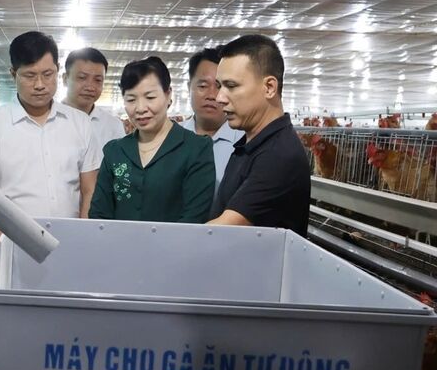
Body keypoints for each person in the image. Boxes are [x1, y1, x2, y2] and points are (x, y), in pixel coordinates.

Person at [0, 31, 102, 245]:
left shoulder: (80, 123)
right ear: (13, 74)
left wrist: (84, 239)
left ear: (57, 70)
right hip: (15, 241)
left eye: (48, 74)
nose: (40, 84)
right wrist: (3, 248)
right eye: (29, 75)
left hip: (72, 240)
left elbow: (89, 189)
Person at [207, 34, 311, 236]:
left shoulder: (279, 156)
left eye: (231, 86)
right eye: (220, 86)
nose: (219, 98)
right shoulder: (252, 144)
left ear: (269, 87)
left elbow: (220, 231)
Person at [89, 56, 215, 223]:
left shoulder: (196, 148)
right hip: (116, 240)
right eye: (131, 99)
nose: (140, 108)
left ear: (168, 95)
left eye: (150, 97)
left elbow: (194, 218)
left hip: (178, 240)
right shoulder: (115, 151)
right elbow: (99, 215)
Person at [182, 46, 242, 191]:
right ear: (189, 87)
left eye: (219, 87)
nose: (211, 95)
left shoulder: (245, 143)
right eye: (203, 86)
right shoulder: (169, 138)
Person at [63, 47, 127, 152]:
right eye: (82, 77)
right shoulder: (48, 120)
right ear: (65, 79)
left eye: (98, 80)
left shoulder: (113, 126)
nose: (90, 87)